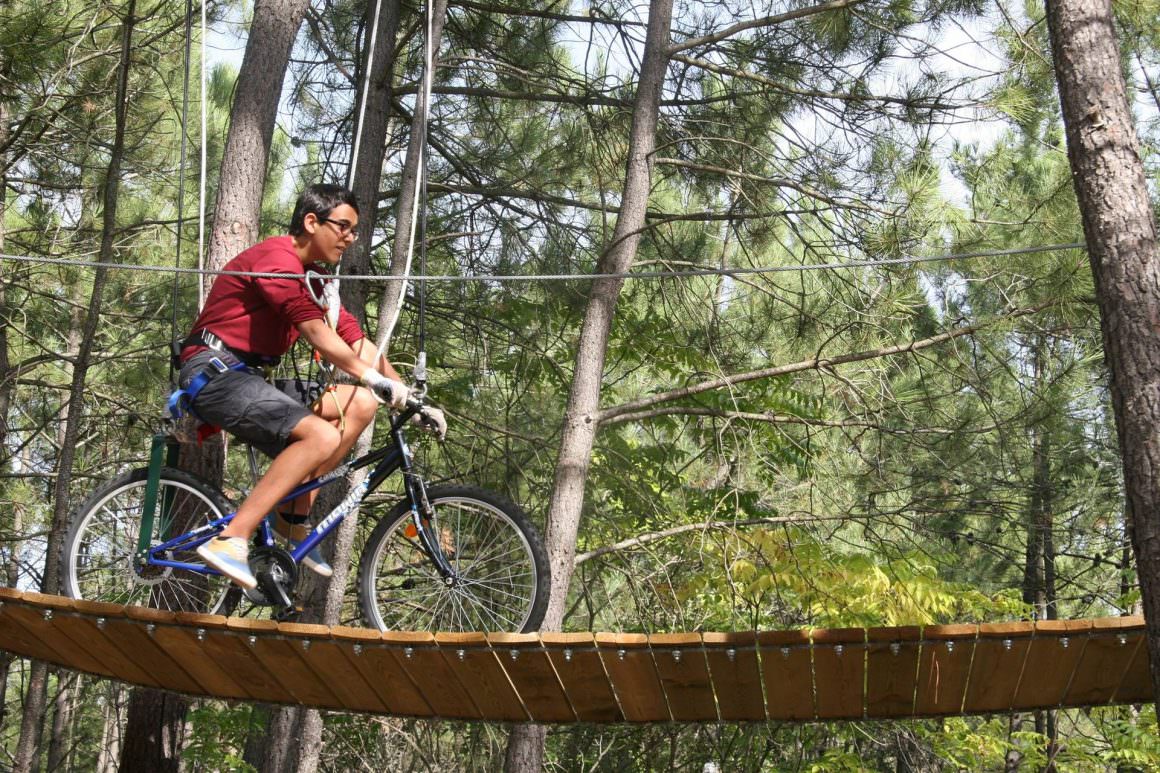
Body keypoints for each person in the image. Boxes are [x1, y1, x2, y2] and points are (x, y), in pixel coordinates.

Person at [176, 183, 445, 589]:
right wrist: (371, 376)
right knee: (321, 435)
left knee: (358, 402)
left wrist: (408, 395)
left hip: (246, 378)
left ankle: (292, 519)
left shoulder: (315, 280)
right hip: (213, 371)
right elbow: (314, 330)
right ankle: (231, 538)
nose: (350, 238)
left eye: (355, 231)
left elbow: (356, 341)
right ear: (311, 222)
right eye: (343, 227)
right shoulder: (275, 258)